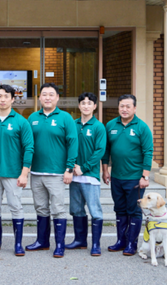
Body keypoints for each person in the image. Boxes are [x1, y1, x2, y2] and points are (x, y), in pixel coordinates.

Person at [25, 83, 78, 258]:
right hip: (36, 172)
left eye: (51, 94)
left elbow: (73, 143)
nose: (47, 97)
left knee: (58, 209)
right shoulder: (32, 117)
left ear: (57, 98)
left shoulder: (65, 118)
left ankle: (60, 245)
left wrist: (69, 168)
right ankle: (42, 242)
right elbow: (26, 144)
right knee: (40, 208)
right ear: (39, 98)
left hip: (57, 173)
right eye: (44, 94)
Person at [0, 84, 34, 256]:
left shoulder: (21, 122)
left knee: (15, 207)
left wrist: (24, 173)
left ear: (13, 99)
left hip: (13, 174)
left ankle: (18, 244)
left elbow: (29, 148)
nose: (2, 99)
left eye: (6, 96)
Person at [101, 94, 153, 256]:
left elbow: (148, 152)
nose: (124, 109)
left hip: (135, 178)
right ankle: (120, 241)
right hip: (116, 177)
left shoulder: (141, 127)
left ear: (134, 108)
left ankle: (132, 243)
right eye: (122, 106)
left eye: (128, 106)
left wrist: (145, 176)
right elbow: (106, 150)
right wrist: (105, 170)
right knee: (120, 210)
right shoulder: (110, 125)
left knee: (134, 211)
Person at [67, 92, 106, 256]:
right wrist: (72, 165)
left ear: (95, 106)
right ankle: (80, 240)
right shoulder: (73, 124)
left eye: (89, 103)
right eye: (83, 103)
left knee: (94, 210)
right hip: (74, 175)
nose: (86, 105)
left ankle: (95, 244)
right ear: (79, 106)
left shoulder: (98, 127)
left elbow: (100, 150)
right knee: (76, 209)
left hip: (89, 175)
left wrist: (84, 167)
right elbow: (68, 145)